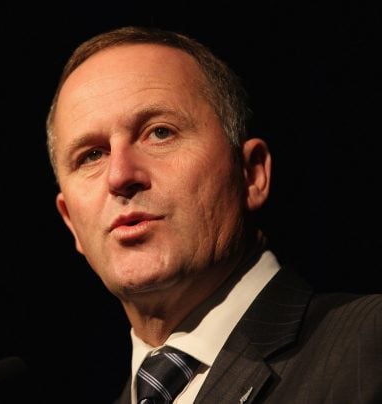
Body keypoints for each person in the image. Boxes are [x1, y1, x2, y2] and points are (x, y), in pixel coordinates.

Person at [44, 26, 382, 403]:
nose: (120, 176)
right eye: (91, 155)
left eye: (159, 133)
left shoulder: (368, 344)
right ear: (70, 221)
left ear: (251, 173)